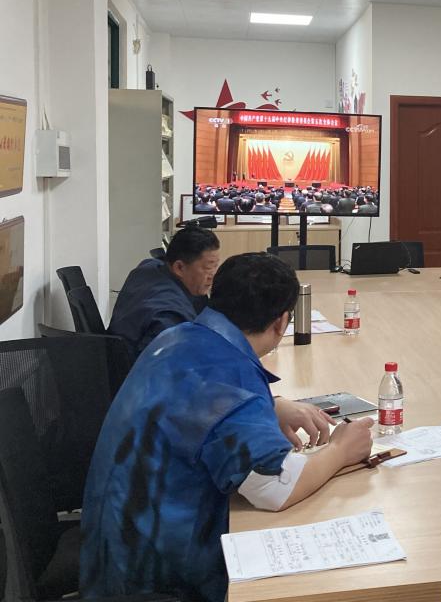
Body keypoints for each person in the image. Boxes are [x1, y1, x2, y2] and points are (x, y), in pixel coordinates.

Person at [80, 253, 374, 601]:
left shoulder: (178, 337)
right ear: (281, 322)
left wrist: (272, 406)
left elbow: (191, 400)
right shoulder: (230, 383)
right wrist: (340, 449)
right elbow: (275, 489)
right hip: (157, 580)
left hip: (113, 550)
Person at [108, 226, 221, 357]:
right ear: (179, 267)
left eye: (216, 266)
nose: (213, 275)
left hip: (113, 354)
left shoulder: (148, 267)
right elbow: (166, 365)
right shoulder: (171, 317)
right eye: (208, 267)